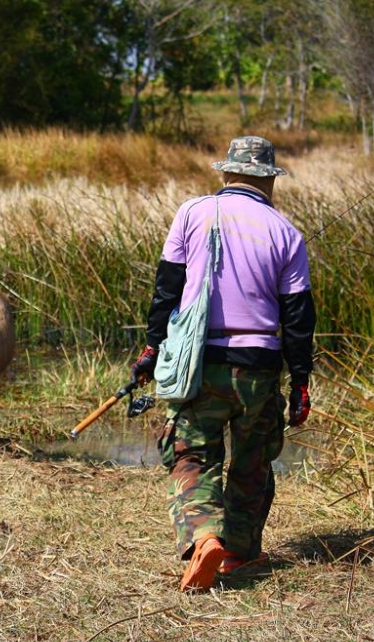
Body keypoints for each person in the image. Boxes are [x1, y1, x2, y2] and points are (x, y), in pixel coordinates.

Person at [130, 135, 316, 593]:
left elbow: (166, 290)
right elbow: (298, 320)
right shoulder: (287, 233)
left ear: (228, 173)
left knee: (192, 454)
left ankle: (204, 537)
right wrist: (301, 384)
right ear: (269, 180)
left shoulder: (191, 213)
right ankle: (238, 552)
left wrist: (151, 350)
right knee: (253, 462)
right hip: (260, 366)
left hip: (201, 363)